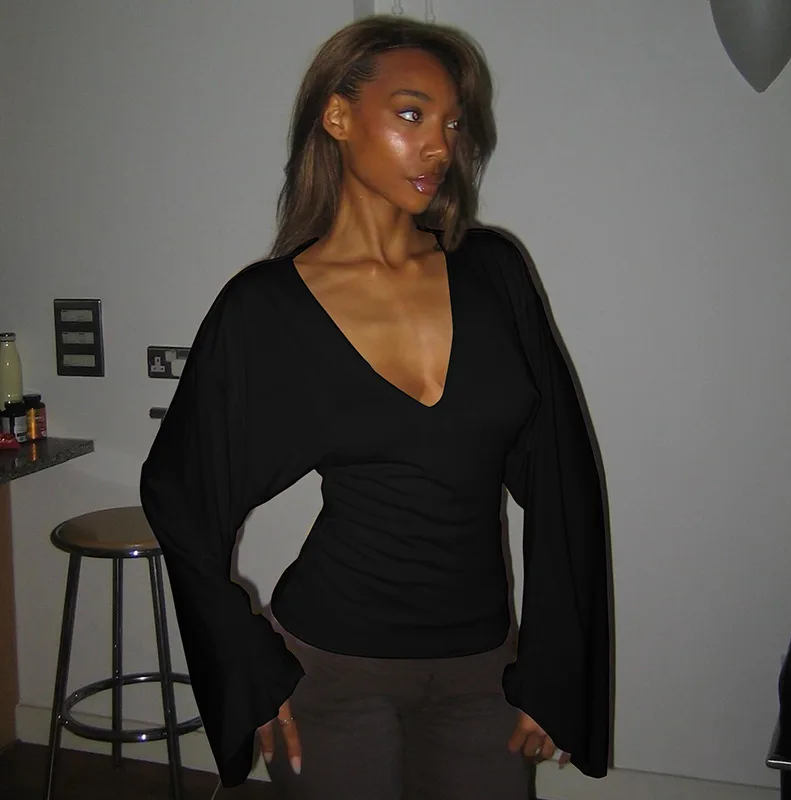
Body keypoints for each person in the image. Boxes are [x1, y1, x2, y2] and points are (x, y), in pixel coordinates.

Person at [140, 13, 610, 800]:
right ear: (337, 116)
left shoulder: (494, 273)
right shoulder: (267, 306)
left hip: (481, 672)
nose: (440, 146)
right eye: (411, 114)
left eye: (452, 124)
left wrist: (555, 667)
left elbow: (565, 479)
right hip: (332, 669)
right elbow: (180, 492)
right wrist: (248, 663)